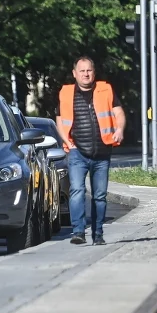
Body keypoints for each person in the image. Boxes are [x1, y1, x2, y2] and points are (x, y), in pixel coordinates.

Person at [56, 56, 124, 246]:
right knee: (77, 190)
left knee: (99, 196)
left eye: (89, 70)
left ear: (94, 72)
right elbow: (59, 120)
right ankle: (78, 232)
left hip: (102, 152)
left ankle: (98, 234)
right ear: (74, 73)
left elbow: (118, 113)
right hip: (77, 152)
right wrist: (67, 143)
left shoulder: (106, 90)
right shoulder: (66, 93)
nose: (86, 74)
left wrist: (119, 129)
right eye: (82, 70)